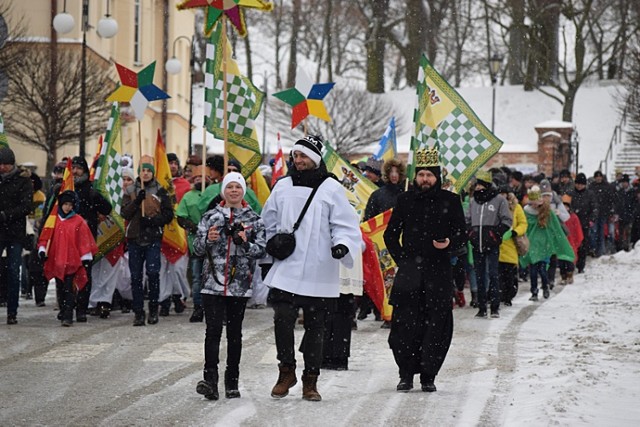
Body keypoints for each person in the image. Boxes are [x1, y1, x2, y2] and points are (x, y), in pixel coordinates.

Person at [261, 135, 361, 402]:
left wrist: (342, 245)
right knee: (282, 318)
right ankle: (286, 370)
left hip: (319, 267)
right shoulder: (282, 186)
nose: (299, 161)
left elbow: (344, 223)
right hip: (287, 265)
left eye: (304, 156)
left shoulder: (331, 188)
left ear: (315, 158)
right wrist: (269, 249)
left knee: (316, 327)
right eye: (296, 156)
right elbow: (268, 220)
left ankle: (311, 380)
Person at [382, 147, 466, 393]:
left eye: (430, 175)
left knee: (436, 328)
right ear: (415, 177)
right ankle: (405, 374)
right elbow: (390, 235)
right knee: (404, 328)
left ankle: (429, 375)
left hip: (438, 275)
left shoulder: (450, 201)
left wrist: (449, 243)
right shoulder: (405, 200)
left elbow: (462, 235)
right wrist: (403, 259)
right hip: (410, 276)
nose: (425, 180)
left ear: (437, 177)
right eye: (421, 175)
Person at [193, 172, 266, 400]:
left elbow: (261, 250)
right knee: (212, 331)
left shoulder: (254, 219)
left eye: (237, 187)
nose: (233, 190)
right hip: (212, 284)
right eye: (230, 187)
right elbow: (196, 248)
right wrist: (209, 240)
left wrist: (243, 242)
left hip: (239, 284)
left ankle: (231, 381)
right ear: (223, 190)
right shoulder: (210, 217)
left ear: (243, 191)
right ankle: (210, 380)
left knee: (234, 334)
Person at [121, 155, 174, 326]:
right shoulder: (130, 191)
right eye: (142, 170)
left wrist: (152, 221)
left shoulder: (160, 190)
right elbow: (125, 213)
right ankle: (138, 312)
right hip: (135, 238)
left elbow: (168, 215)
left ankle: (153, 309)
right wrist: (137, 201)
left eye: (148, 171)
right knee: (136, 276)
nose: (145, 174)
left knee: (153, 274)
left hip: (152, 237)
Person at [37, 190, 97, 326]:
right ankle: (64, 309)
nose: (67, 207)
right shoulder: (52, 221)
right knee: (60, 287)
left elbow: (83, 240)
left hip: (72, 261)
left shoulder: (79, 221)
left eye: (70, 204)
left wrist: (86, 257)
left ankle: (68, 314)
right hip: (57, 261)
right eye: (65, 204)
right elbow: (45, 237)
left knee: (69, 288)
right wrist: (42, 249)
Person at [361, 158, 407, 326]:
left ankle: (400, 312)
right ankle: (385, 312)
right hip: (383, 246)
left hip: (402, 244)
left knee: (401, 280)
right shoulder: (377, 195)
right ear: (386, 174)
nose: (394, 176)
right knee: (385, 280)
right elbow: (369, 220)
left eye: (397, 172)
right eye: (391, 172)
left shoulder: (407, 194)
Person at [69, 156, 113, 321]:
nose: (75, 171)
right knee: (67, 275)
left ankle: (81, 309)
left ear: (85, 171)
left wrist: (96, 198)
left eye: (79, 168)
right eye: (73, 168)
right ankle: (67, 307)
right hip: (67, 239)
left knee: (85, 274)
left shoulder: (90, 190)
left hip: (86, 240)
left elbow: (107, 208)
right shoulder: (66, 188)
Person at [467, 170, 512, 318]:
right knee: (480, 276)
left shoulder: (499, 200)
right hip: (476, 243)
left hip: (492, 243)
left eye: (480, 184)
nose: (478, 187)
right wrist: (471, 234)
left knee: (493, 274)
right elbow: (468, 220)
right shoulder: (473, 201)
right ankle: (481, 307)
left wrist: (495, 233)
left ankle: (494, 307)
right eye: (476, 185)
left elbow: (507, 220)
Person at [520, 186, 574, 301]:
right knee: (534, 270)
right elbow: (522, 225)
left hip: (544, 244)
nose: (534, 205)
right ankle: (534, 292)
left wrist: (558, 240)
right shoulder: (526, 212)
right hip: (532, 244)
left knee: (542, 269)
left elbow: (555, 227)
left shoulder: (547, 212)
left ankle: (545, 287)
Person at [0, 147, 34, 324]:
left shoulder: (23, 181)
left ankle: (12, 311)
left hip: (15, 232)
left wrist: (7, 215)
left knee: (14, 271)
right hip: (1, 231)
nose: (1, 167)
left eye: (4, 164)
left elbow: (26, 206)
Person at [176, 165, 211, 322]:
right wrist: (195, 227)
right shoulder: (188, 196)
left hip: (214, 243)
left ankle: (212, 308)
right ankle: (198, 307)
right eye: (196, 178)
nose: (199, 180)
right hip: (195, 243)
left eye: (202, 178)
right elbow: (181, 217)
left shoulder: (214, 194)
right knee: (197, 277)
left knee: (212, 277)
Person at [497, 185, 527, 306]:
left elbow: (523, 223)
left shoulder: (516, 207)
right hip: (497, 244)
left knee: (509, 273)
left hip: (511, 245)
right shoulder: (494, 206)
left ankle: (509, 295)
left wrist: (515, 232)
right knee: (498, 274)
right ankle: (499, 295)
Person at [569, 173, 598, 273]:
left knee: (583, 245)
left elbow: (594, 208)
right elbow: (566, 206)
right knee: (571, 244)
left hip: (585, 223)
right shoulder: (570, 193)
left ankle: (581, 265)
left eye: (581, 184)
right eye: (578, 184)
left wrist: (591, 220)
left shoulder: (590, 194)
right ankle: (571, 264)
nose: (579, 186)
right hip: (572, 224)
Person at [559, 194, 583, 285]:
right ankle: (563, 276)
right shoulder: (559, 218)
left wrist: (577, 242)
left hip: (571, 242)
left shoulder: (574, 217)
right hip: (562, 242)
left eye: (566, 206)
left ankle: (569, 275)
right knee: (562, 261)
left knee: (569, 261)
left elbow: (578, 231)